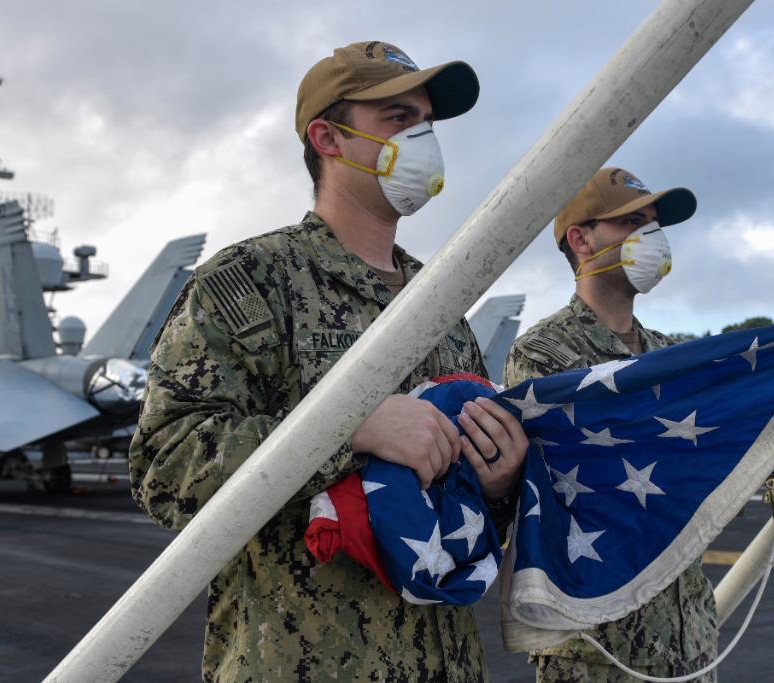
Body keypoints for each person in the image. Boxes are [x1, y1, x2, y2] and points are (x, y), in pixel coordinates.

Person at [129, 41, 529, 682]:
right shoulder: (249, 284)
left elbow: (467, 518)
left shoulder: (444, 306)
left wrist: (499, 482)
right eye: (399, 119)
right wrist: (348, 430)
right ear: (328, 138)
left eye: (427, 121)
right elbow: (166, 469)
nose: (424, 138)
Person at [504, 167, 774, 682]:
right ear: (580, 239)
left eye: (653, 222)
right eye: (631, 222)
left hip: (688, 638)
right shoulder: (544, 355)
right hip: (595, 648)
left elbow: (714, 478)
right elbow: (586, 486)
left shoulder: (674, 357)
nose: (651, 236)